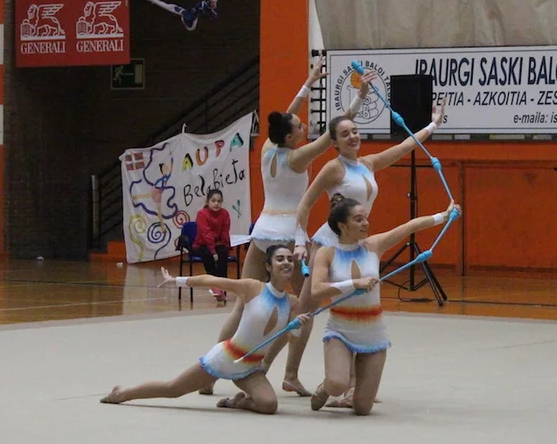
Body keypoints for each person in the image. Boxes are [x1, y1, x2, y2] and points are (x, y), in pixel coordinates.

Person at [200, 56, 374, 396]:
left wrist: (309, 83)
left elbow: (284, 115)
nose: (304, 126)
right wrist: (360, 97)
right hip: (286, 238)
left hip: (261, 233)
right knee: (304, 308)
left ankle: (209, 373)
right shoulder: (297, 158)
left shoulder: (268, 148)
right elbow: (337, 131)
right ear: (291, 137)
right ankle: (290, 373)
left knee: (242, 304)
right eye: (300, 127)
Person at [277, 98, 446, 402]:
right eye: (345, 134)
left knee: (355, 304)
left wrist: (432, 125)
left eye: (355, 131)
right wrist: (300, 242)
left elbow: (404, 147)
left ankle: (352, 384)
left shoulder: (367, 163)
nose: (353, 136)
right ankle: (287, 372)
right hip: (328, 245)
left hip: (354, 244)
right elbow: (305, 204)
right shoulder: (333, 168)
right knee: (306, 309)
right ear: (335, 143)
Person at [100, 245, 311, 415]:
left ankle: (237, 403)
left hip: (250, 367)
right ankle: (122, 394)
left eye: (289, 259)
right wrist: (177, 280)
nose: (286, 263)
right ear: (268, 266)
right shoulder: (253, 288)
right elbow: (211, 280)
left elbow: (293, 336)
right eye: (280, 259)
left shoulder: (292, 302)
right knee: (173, 389)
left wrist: (297, 326)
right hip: (225, 358)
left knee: (269, 405)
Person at [309, 196, 458, 415]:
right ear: (342, 225)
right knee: (337, 384)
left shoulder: (374, 245)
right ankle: (328, 386)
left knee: (362, 409)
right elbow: (316, 290)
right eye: (358, 219)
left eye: (365, 218)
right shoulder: (327, 253)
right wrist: (353, 284)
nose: (365, 223)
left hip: (373, 334)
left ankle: (352, 390)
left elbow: (410, 226)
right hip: (340, 331)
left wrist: (444, 216)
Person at [192, 189, 232, 305]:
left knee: (223, 253)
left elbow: (225, 232)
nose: (216, 204)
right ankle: (214, 285)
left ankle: (221, 286)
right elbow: (206, 235)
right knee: (208, 255)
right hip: (202, 244)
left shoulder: (225, 214)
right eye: (213, 201)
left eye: (219, 201)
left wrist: (225, 247)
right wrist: (214, 252)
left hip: (218, 243)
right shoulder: (202, 214)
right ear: (207, 202)